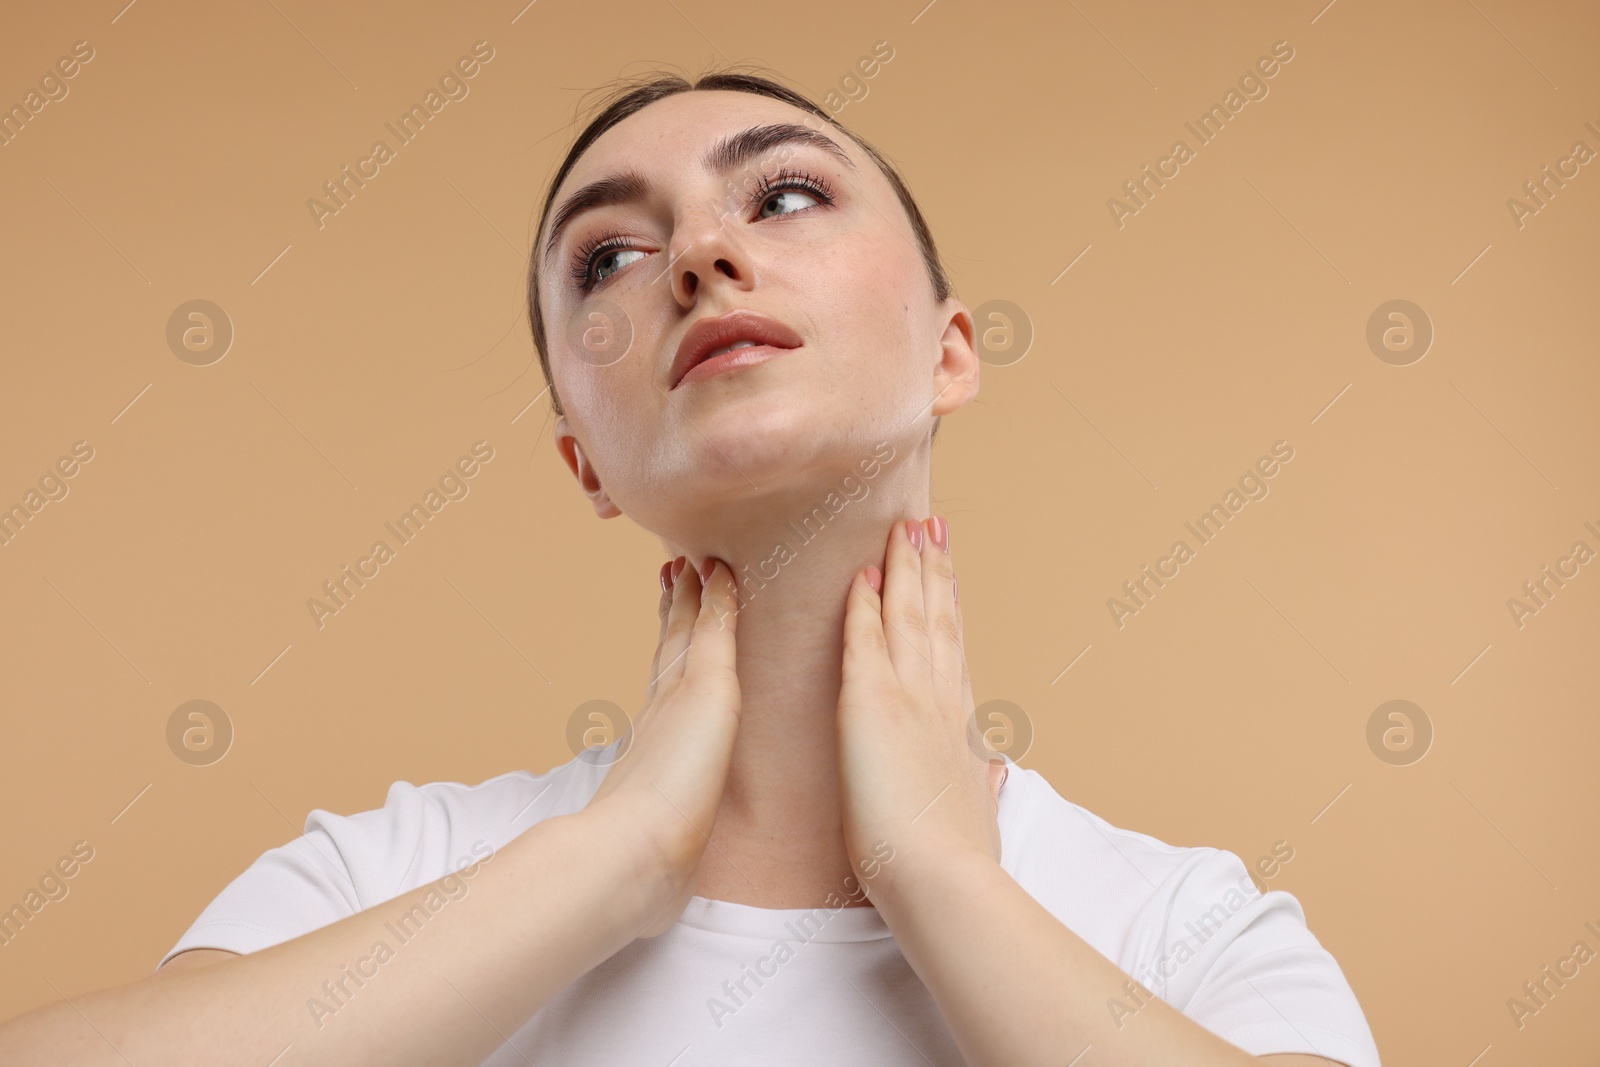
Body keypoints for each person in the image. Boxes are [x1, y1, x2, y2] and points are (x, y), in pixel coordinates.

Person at [0, 70, 1382, 1067]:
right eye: (611, 253)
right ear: (584, 463)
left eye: (783, 196)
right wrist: (614, 861)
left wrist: (944, 880)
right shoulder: (387, 877)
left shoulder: (1185, 932)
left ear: (953, 348)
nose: (705, 255)